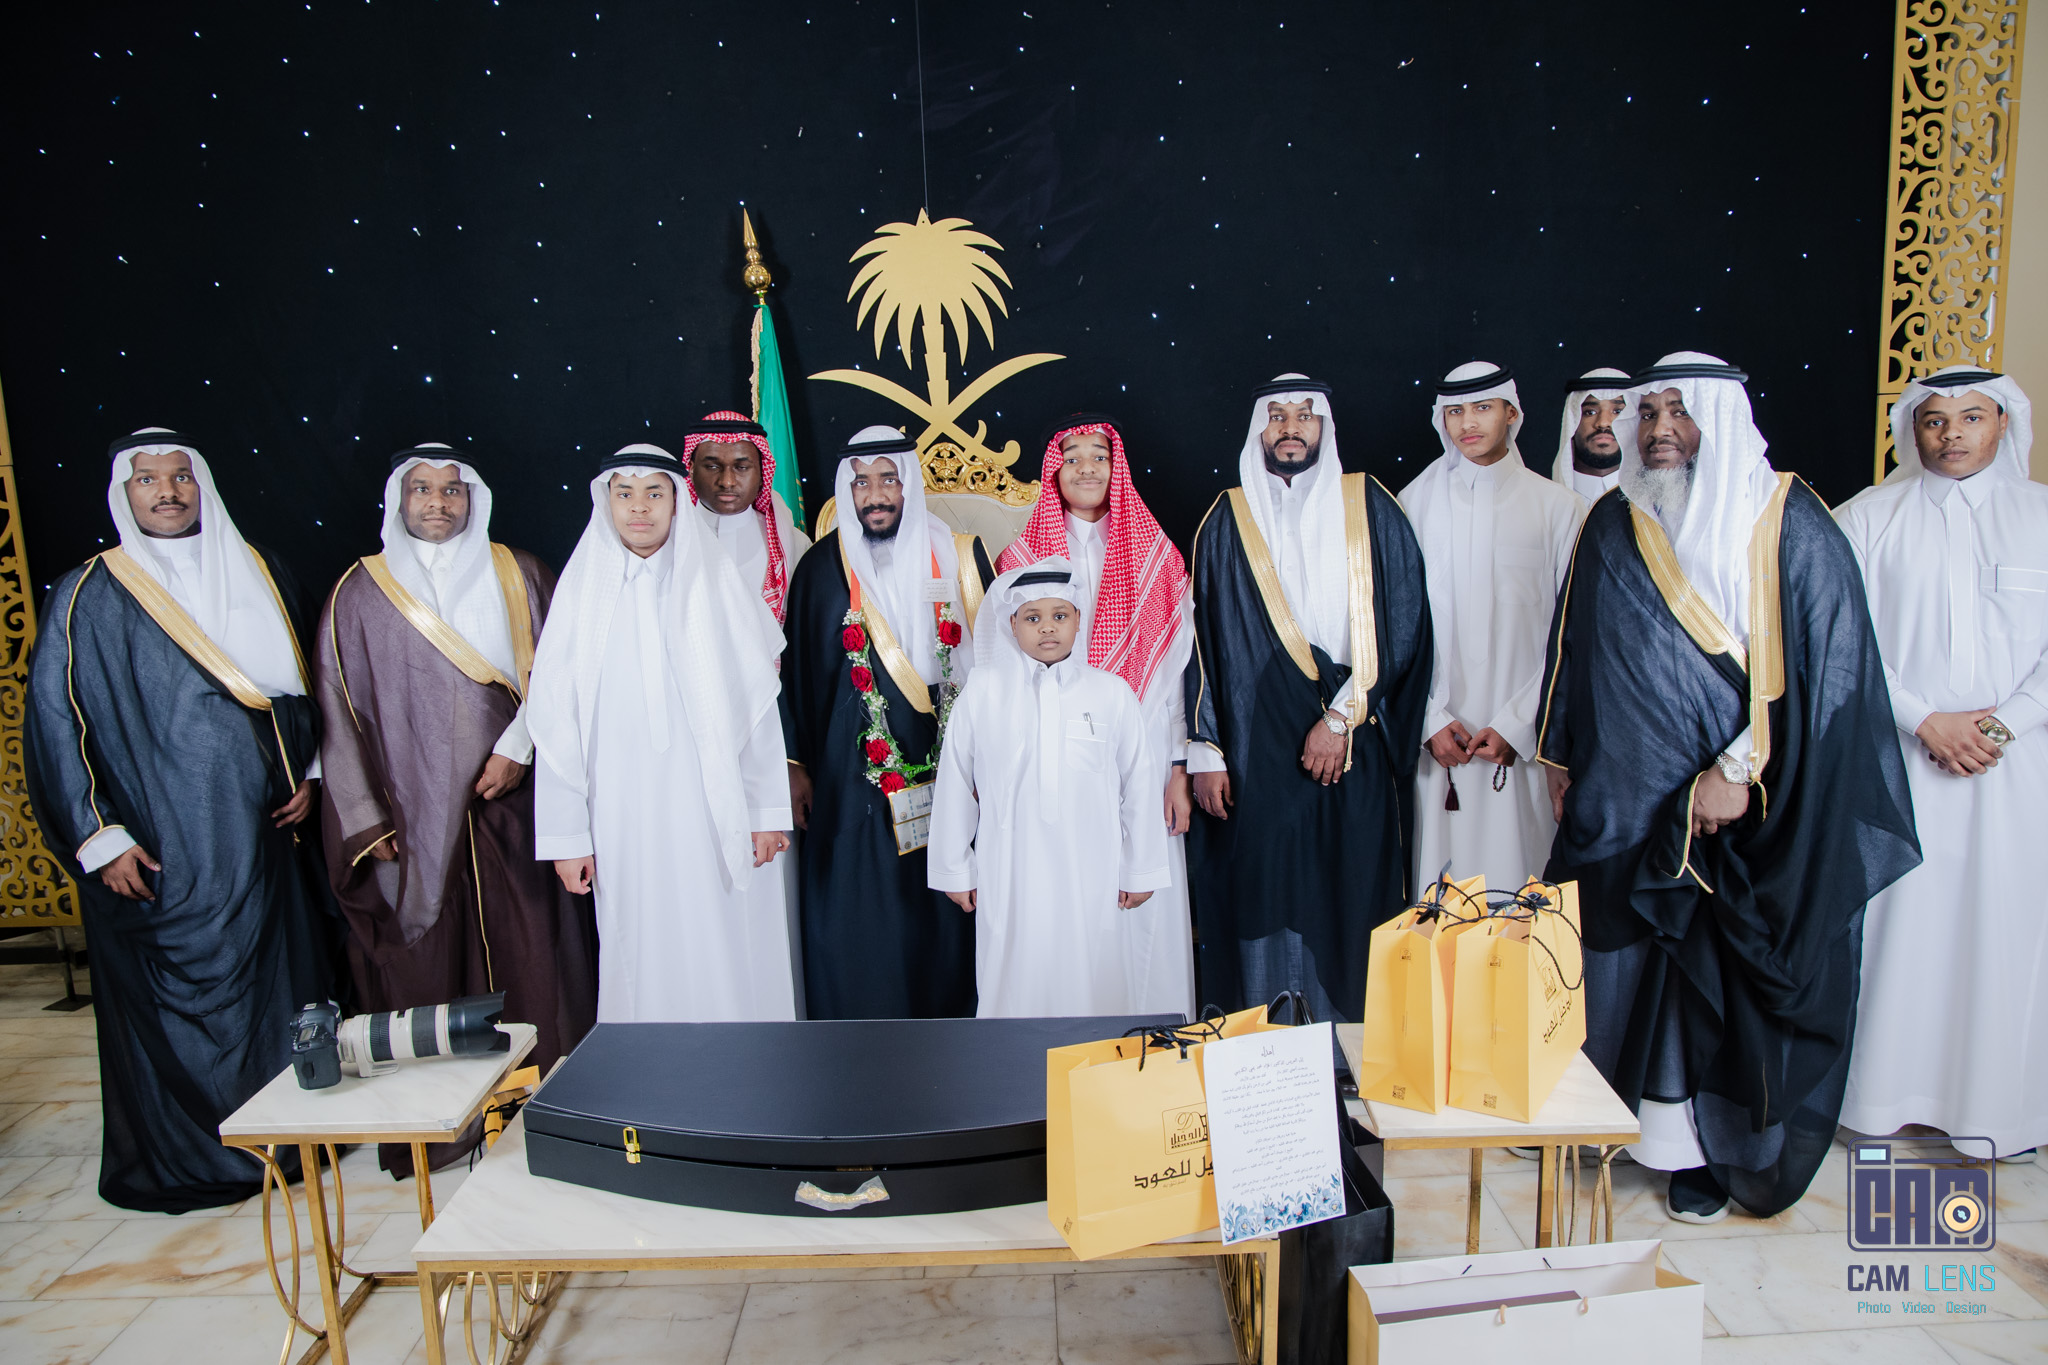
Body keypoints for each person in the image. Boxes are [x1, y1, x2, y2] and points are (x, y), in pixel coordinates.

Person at [1537, 353, 1919, 1222]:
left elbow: (1835, 670)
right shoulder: (1614, 519)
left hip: (1738, 811)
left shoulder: (1789, 520)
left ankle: (1700, 1154)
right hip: (1626, 798)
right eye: (1649, 412)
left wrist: (1739, 770)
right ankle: (1615, 1124)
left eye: (1681, 410)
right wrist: (1560, 755)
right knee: (1622, 964)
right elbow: (1572, 647)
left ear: (1724, 418)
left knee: (1709, 977)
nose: (1660, 429)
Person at [24, 429, 334, 1212]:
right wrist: (100, 835)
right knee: (183, 1000)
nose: (167, 492)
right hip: (164, 847)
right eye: (148, 479)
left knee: (272, 989)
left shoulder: (259, 570)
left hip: (261, 841)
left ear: (203, 486)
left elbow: (303, 690)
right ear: (123, 492)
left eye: (180, 477)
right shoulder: (89, 592)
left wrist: (306, 772)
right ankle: (200, 1148)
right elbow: (57, 724)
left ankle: (288, 1132)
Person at [317, 443, 597, 1172]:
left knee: (532, 948)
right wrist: (365, 817)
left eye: (452, 489)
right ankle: (444, 1123)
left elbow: (564, 673)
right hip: (411, 820)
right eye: (422, 489)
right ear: (399, 499)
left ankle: (543, 1113)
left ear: (473, 498)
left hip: (514, 800)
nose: (438, 503)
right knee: (430, 962)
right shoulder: (359, 590)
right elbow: (337, 709)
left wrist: (518, 748)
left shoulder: (520, 572)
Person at [1835, 367, 2046, 1164]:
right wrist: (1924, 719)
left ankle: (1999, 1110)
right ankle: (1883, 1101)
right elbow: (1841, 636)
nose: (1952, 433)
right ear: (1912, 431)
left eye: (1972, 417)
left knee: (2006, 933)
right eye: (1934, 420)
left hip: (2015, 770)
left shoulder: (2042, 515)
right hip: (1900, 761)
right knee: (1900, 934)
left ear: (2003, 423)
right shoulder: (1867, 517)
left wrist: (1998, 725)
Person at [1186, 376, 1434, 1021]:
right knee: (1266, 890)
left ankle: (1349, 1054)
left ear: (1324, 425)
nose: (1290, 428)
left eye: (1304, 415)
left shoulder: (1369, 503)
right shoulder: (1226, 518)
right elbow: (1202, 641)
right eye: (1277, 416)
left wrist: (1341, 718)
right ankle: (1265, 1052)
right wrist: (1207, 747)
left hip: (1353, 737)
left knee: (1349, 889)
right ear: (1258, 429)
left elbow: (1403, 620)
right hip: (1256, 748)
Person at [529, 445, 793, 1022]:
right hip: (621, 819)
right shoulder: (581, 595)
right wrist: (567, 836)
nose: (639, 508)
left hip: (713, 811)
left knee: (726, 942)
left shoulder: (715, 584)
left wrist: (766, 810)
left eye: (654, 493)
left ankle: (739, 1066)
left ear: (676, 502)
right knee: (637, 947)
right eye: (624, 494)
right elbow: (555, 726)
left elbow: (756, 710)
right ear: (606, 503)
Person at [782, 427, 997, 1019]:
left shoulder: (958, 556)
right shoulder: (819, 570)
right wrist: (796, 765)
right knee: (861, 915)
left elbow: (996, 666)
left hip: (949, 768)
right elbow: (795, 677)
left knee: (943, 914)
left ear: (908, 486)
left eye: (887, 480)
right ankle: (858, 1044)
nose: (874, 495)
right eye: (860, 484)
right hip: (849, 777)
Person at [996, 413, 1195, 1016]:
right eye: (1072, 456)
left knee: (1144, 899)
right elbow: (1004, 673)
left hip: (1145, 748)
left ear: (1117, 467)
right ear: (1053, 470)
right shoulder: (1019, 558)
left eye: (1099, 456)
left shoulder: (1156, 554)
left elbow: (1174, 673)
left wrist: (1177, 767)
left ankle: (1152, 1036)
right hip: (1052, 752)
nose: (1086, 468)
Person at [928, 562, 1171, 1015]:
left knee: (1093, 980)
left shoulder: (1112, 693)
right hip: (1009, 870)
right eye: (1033, 617)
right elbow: (956, 782)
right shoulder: (983, 692)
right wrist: (954, 868)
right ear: (1011, 624)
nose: (1047, 628)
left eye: (1060, 615)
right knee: (1012, 979)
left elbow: (1139, 783)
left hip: (1091, 869)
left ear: (1078, 619)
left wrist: (1140, 869)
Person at [1401, 363, 1586, 895]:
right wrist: (1429, 720)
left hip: (1526, 746)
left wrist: (1519, 726)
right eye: (1455, 411)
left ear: (1511, 413)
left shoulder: (1559, 508)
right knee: (1441, 895)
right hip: (1440, 744)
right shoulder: (1411, 505)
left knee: (1525, 893)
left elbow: (1572, 632)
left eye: (1482, 408)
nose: (1468, 423)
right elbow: (1395, 627)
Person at [679, 410, 812, 623]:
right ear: (691, 469)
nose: (727, 481)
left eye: (741, 467)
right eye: (712, 466)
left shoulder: (794, 545)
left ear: (761, 473)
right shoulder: (668, 538)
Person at [1552, 368, 1632, 502]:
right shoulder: (1545, 502)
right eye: (1590, 412)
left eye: (1618, 411)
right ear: (1572, 423)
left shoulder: (1654, 505)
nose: (1603, 423)